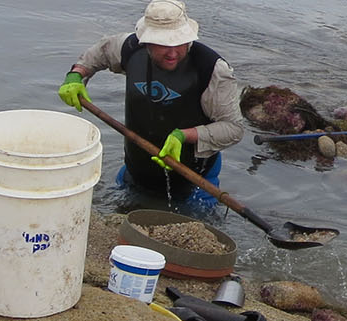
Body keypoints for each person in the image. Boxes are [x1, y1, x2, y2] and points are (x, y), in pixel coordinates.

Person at [57, 0, 243, 206]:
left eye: (179, 43)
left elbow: (233, 129)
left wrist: (184, 135)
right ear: (146, 41)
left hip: (194, 180)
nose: (172, 53)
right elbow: (101, 52)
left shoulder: (212, 70)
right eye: (163, 44)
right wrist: (77, 74)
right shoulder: (130, 49)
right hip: (136, 168)